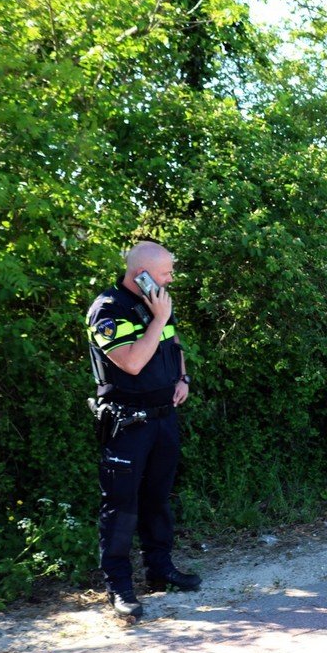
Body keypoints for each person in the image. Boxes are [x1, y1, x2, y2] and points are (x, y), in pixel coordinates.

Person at [86, 241, 201, 618]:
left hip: (163, 417)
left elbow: (174, 342)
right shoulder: (107, 309)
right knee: (122, 507)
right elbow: (132, 363)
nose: (171, 278)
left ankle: (159, 570)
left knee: (158, 498)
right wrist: (157, 320)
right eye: (166, 272)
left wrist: (181, 377)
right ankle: (119, 587)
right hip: (127, 423)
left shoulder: (158, 302)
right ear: (142, 275)